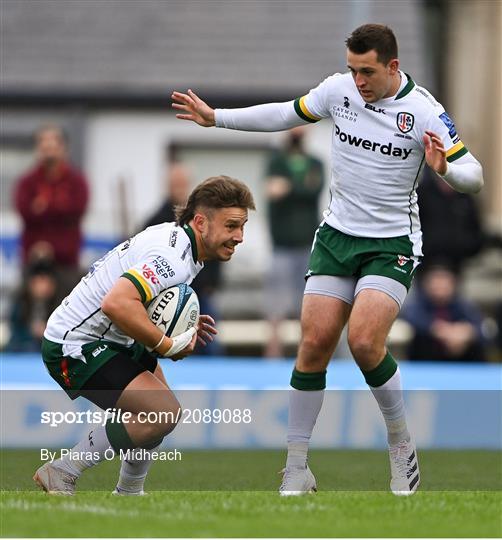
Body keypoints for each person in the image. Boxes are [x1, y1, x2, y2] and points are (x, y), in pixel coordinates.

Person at [172, 23, 484, 496]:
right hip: (337, 238)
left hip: (391, 244)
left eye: (368, 72)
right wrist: (218, 118)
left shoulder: (424, 111)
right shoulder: (339, 91)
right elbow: (285, 113)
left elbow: (475, 175)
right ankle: (296, 467)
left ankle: (401, 447)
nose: (358, 81)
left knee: (362, 342)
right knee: (314, 343)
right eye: (352, 70)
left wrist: (446, 170)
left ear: (393, 66)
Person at [33, 176, 255, 495]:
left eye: (243, 226)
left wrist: (179, 320)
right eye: (232, 226)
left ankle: (129, 493)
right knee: (163, 412)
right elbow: (117, 302)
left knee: (160, 409)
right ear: (201, 221)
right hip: (75, 345)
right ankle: (63, 470)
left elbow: (135, 299)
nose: (240, 237)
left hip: (110, 338)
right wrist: (166, 343)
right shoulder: (173, 258)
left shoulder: (180, 243)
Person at [143, 145, 223, 355]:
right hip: (167, 296)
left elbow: (215, 249)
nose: (179, 187)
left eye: (182, 183)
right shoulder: (155, 221)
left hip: (200, 292)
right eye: (174, 183)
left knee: (210, 345)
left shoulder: (203, 217)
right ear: (167, 186)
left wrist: (213, 282)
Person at [263, 127, 324, 358]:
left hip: (308, 245)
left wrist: (288, 187)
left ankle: (304, 354)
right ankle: (273, 354)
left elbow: (314, 191)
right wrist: (300, 186)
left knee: (307, 305)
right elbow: (272, 191)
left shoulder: (315, 163)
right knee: (275, 306)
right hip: (281, 246)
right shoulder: (276, 162)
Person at [14, 126, 89, 288]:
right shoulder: (27, 182)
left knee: (67, 307)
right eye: (44, 145)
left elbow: (75, 211)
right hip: (33, 258)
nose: (48, 150)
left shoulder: (76, 182)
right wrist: (59, 207)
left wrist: (43, 207)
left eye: (53, 145)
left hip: (66, 262)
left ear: (63, 148)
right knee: (23, 307)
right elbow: (25, 212)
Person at [401, 263, 486, 362]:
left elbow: (480, 326)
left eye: (444, 283)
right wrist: (440, 330)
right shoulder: (417, 303)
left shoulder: (463, 304)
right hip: (425, 358)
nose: (440, 287)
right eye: (436, 283)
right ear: (426, 284)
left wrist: (466, 333)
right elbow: (411, 318)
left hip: (461, 356)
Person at [418, 168, 484, 272]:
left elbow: (476, 230)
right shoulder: (422, 194)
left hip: (456, 265)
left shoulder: (466, 199)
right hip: (424, 265)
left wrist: (464, 247)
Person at [6, 256, 59, 352]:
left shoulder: (60, 306)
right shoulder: (21, 303)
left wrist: (47, 332)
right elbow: (14, 331)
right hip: (23, 350)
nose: (42, 287)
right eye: (38, 282)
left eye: (46, 282)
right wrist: (30, 332)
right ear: (30, 284)